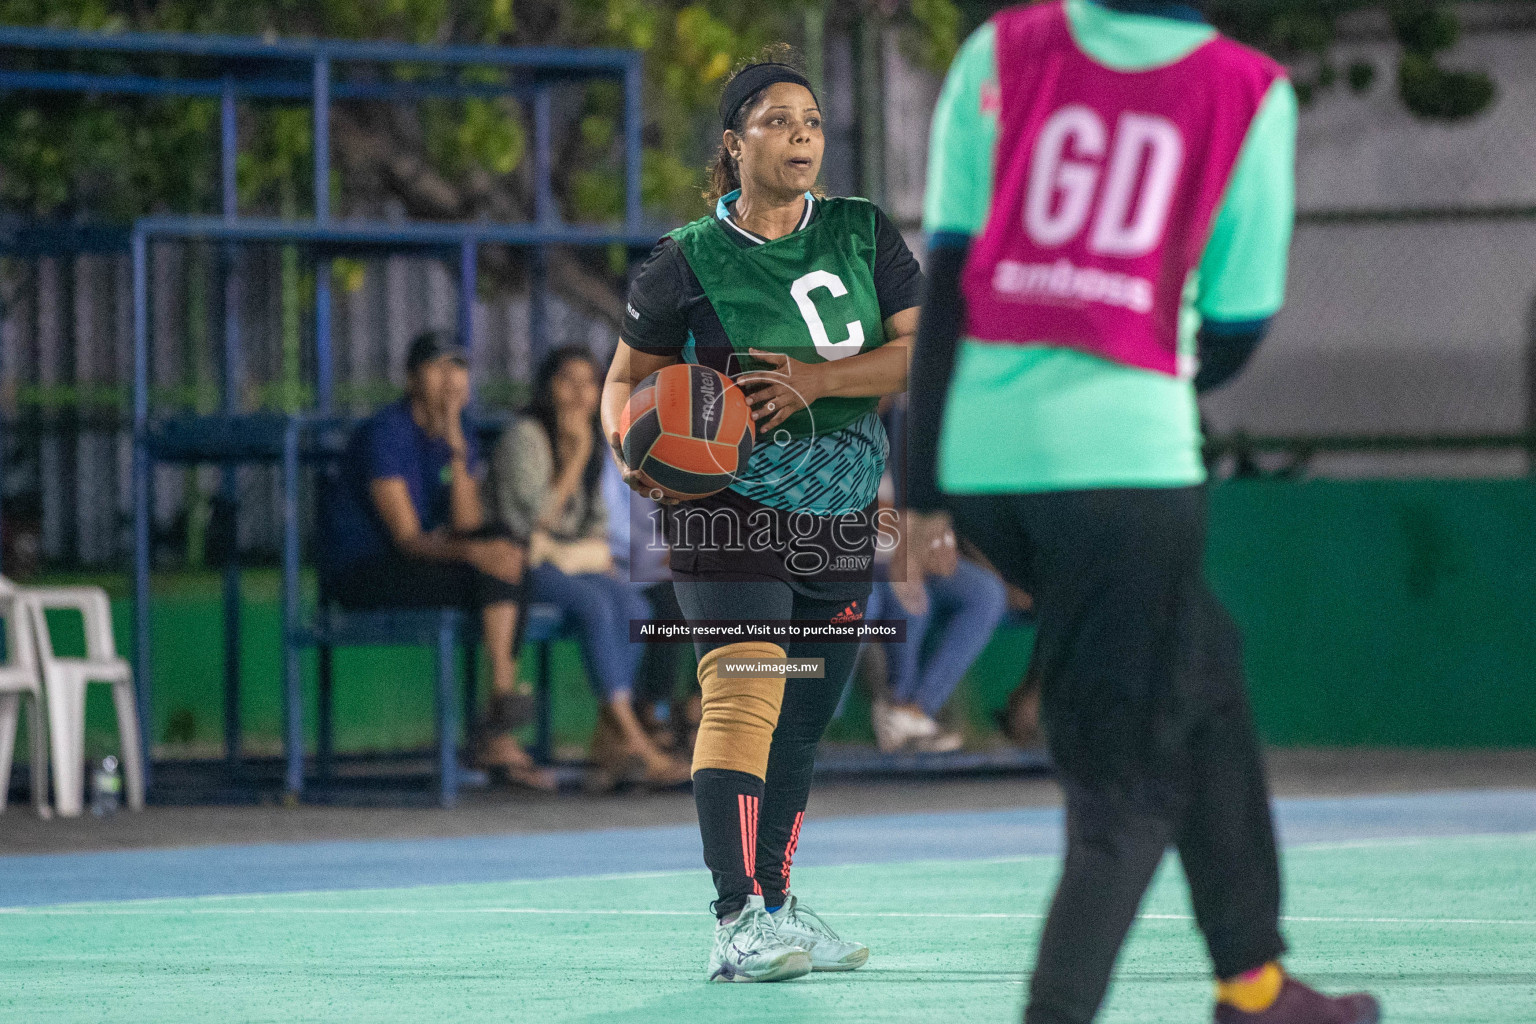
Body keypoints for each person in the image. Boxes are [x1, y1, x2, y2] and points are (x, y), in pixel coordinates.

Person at [908, 3, 1380, 1024]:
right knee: (1125, 792)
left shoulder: (1003, 46)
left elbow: (947, 278)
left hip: (985, 462)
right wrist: (1144, 374)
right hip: (1122, 474)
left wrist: (917, 491)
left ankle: (1254, 983)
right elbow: (1239, 324)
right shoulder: (1245, 89)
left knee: (1204, 665)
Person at [601, 55, 923, 983]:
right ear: (734, 145)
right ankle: (735, 917)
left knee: (805, 720)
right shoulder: (686, 260)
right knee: (745, 696)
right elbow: (626, 382)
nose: (803, 136)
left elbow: (919, 353)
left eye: (813, 121)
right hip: (727, 509)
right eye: (779, 121)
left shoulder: (863, 233)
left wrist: (819, 383)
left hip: (843, 508)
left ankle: (778, 904)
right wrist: (633, 456)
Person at [321, 330, 553, 791]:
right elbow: (407, 539)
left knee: (506, 553)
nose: (451, 379)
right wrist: (474, 551)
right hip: (364, 571)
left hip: (427, 563)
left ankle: (500, 705)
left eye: (460, 367)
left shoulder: (458, 430)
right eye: (438, 366)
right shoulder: (386, 433)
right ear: (411, 378)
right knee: (492, 561)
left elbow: (467, 525)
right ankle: (500, 717)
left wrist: (457, 448)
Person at [488, 346, 689, 791]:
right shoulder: (527, 435)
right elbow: (531, 523)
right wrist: (575, 457)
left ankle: (611, 738)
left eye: (588, 383)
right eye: (568, 382)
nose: (580, 394)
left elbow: (595, 522)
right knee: (598, 607)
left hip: (575, 559)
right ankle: (636, 741)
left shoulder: (595, 438)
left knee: (637, 606)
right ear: (548, 388)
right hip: (526, 561)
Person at [867, 523, 1008, 753]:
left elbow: (930, 506)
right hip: (851, 549)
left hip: (907, 545)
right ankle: (897, 702)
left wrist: (939, 541)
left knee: (985, 593)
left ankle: (915, 710)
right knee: (906, 603)